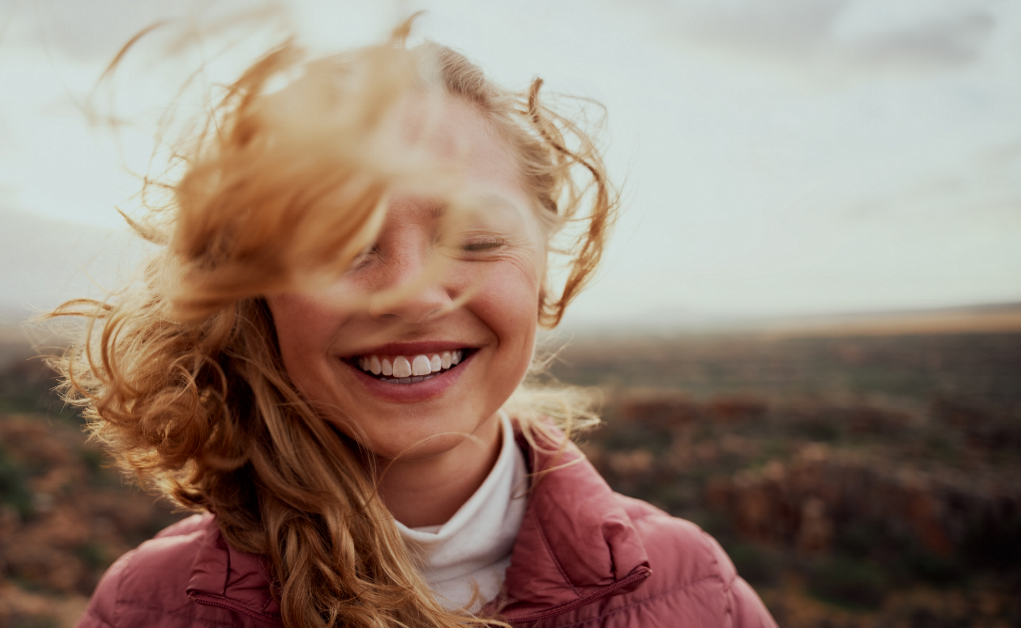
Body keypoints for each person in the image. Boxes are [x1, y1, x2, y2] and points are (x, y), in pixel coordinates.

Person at [51, 19, 778, 628]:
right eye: (341, 244)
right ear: (254, 290)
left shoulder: (696, 595)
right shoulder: (147, 609)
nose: (411, 292)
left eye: (474, 237)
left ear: (545, 270)